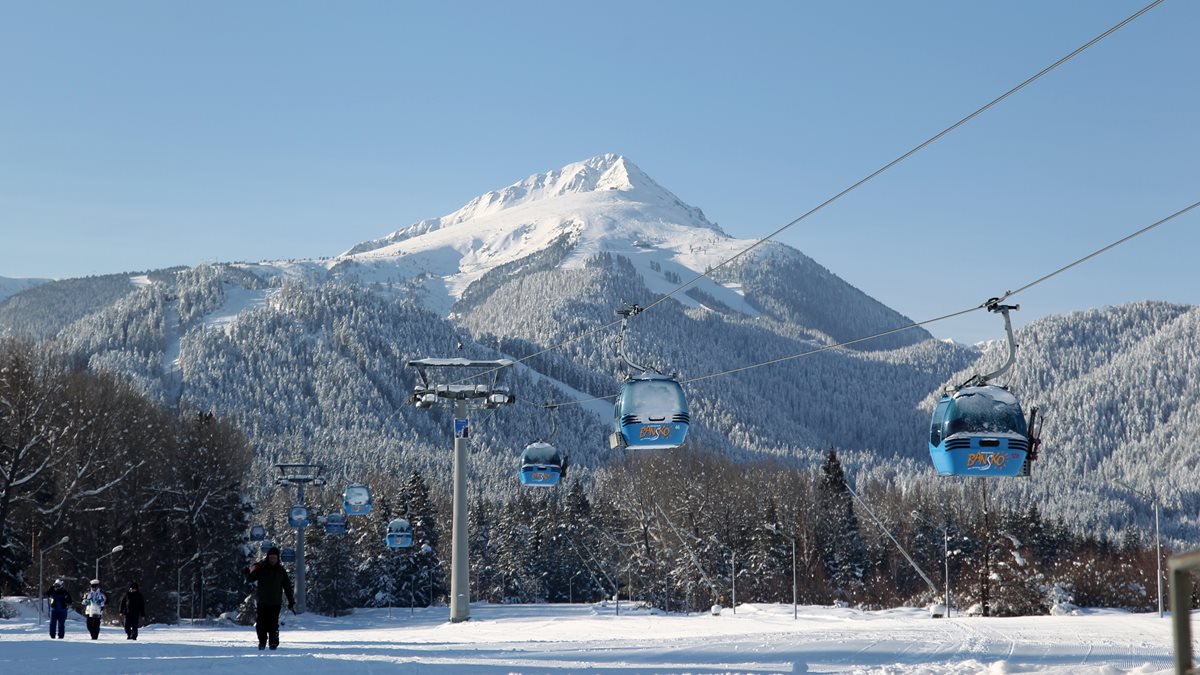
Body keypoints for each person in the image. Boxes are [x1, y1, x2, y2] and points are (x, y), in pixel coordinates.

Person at [242, 546, 295, 651]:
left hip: (275, 603)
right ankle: (262, 642)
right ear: (268, 557)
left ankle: (273, 643)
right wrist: (247, 573)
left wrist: (291, 601)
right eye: (271, 558)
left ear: (277, 558)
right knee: (261, 624)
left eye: (274, 558)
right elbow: (251, 579)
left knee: (273, 624)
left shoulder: (281, 571)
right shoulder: (261, 568)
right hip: (262, 601)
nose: (272, 560)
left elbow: (287, 587)